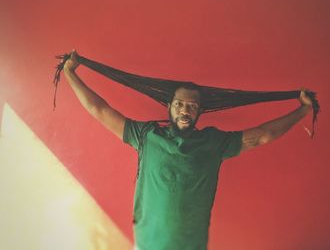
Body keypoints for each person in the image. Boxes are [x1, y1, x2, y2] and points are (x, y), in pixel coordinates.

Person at [63, 50, 313, 250]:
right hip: (147, 244)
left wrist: (303, 110)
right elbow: (100, 110)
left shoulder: (215, 143)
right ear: (169, 106)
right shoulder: (146, 136)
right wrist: (70, 73)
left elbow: (262, 136)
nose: (185, 110)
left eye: (192, 106)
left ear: (200, 112)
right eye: (180, 104)